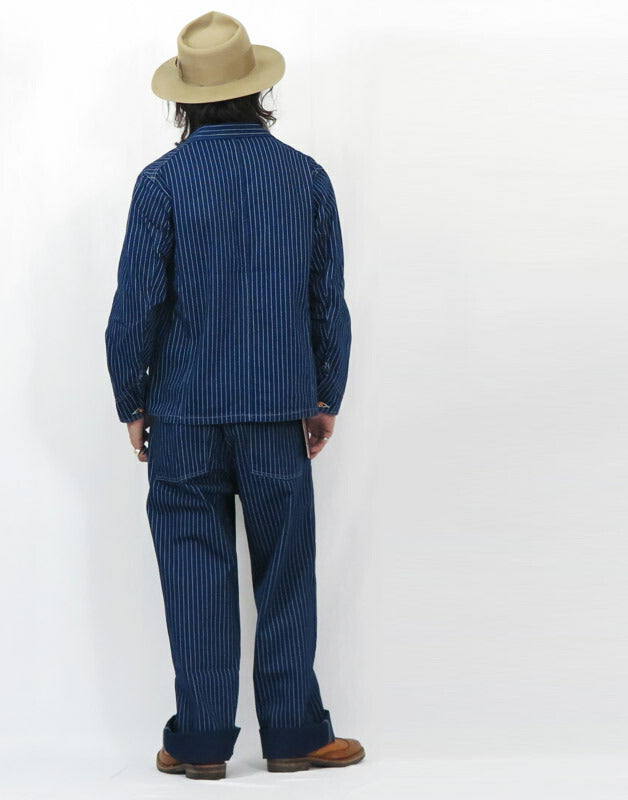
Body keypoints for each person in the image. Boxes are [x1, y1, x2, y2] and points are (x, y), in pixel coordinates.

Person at [104, 11, 363, 781]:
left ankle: (200, 745)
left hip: (183, 413)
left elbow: (136, 305)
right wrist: (324, 395)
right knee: (286, 571)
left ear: (184, 101)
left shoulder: (161, 182)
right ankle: (294, 735)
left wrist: (131, 400)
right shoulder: (305, 177)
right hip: (279, 407)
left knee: (193, 572)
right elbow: (327, 302)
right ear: (260, 92)